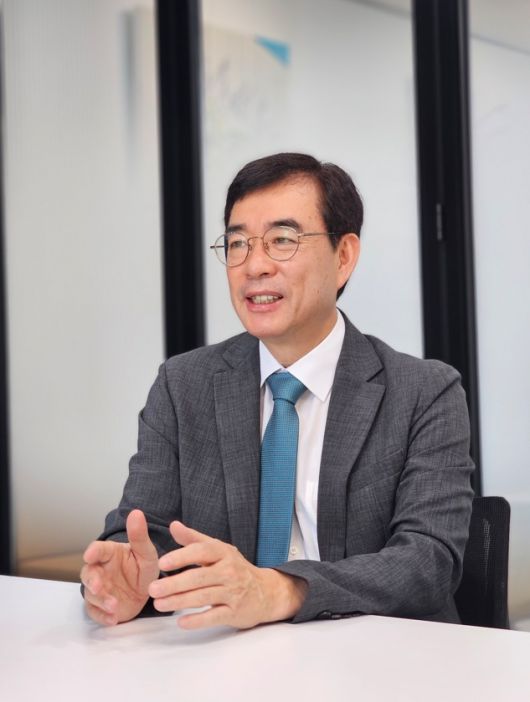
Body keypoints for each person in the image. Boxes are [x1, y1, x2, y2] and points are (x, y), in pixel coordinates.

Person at [81, 152, 474, 630]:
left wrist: (282, 590)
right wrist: (126, 579)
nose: (254, 266)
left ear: (344, 256)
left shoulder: (424, 393)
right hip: (226, 655)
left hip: (378, 655)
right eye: (237, 244)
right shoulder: (183, 385)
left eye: (282, 240)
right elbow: (142, 532)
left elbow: (429, 561)